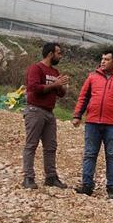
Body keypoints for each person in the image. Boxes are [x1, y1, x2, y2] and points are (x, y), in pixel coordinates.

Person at [72, 48, 113, 200]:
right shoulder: (92, 77)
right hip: (92, 122)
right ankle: (87, 186)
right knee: (89, 154)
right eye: (102, 59)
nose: (103, 62)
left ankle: (112, 188)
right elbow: (83, 97)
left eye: (106, 59)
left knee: (112, 155)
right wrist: (77, 115)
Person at [22, 43, 70, 189]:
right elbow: (34, 88)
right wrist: (55, 84)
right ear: (50, 54)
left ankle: (51, 177)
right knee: (31, 145)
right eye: (58, 53)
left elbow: (60, 94)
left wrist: (62, 85)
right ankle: (28, 178)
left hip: (49, 113)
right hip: (35, 110)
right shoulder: (35, 68)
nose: (60, 56)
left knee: (51, 147)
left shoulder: (55, 72)